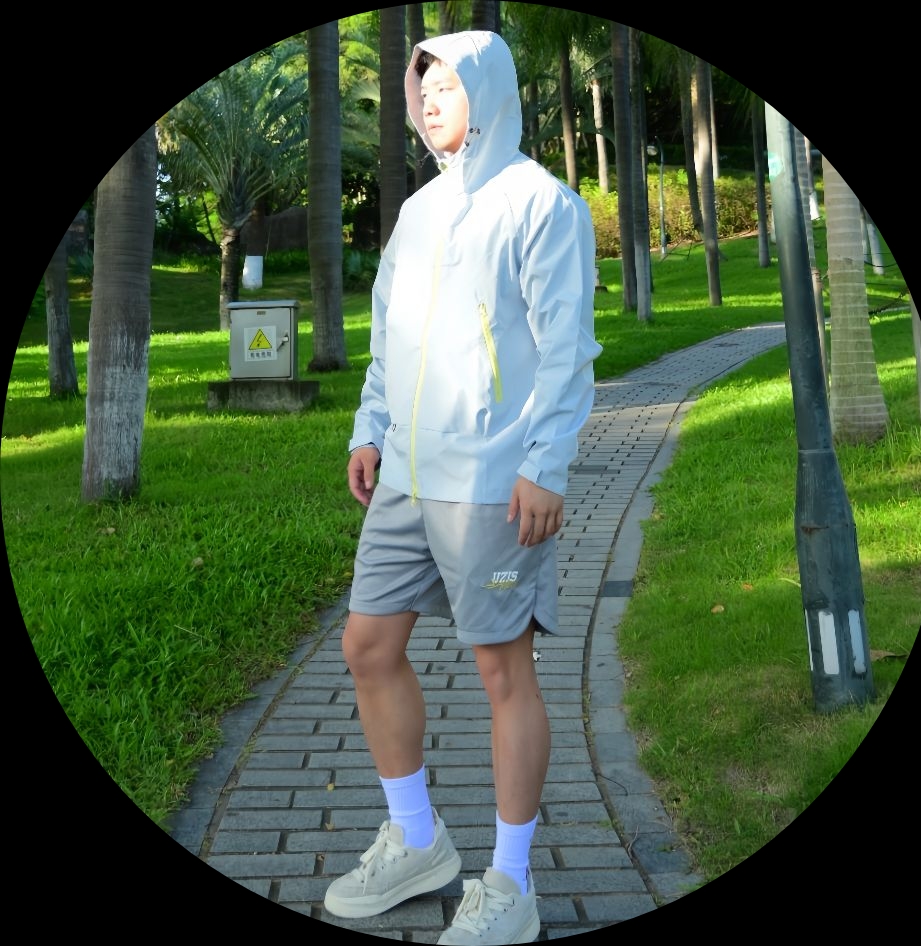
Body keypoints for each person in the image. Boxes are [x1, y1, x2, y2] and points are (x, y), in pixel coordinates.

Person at [322, 30, 601, 945]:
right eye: (424, 87)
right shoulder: (416, 212)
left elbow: (566, 350)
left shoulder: (541, 203)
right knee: (368, 646)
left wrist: (544, 465)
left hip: (492, 479)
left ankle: (511, 884)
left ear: (489, 90)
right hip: (405, 474)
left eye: (449, 83)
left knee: (500, 670)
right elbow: (389, 335)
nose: (433, 99)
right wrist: (370, 429)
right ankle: (416, 839)